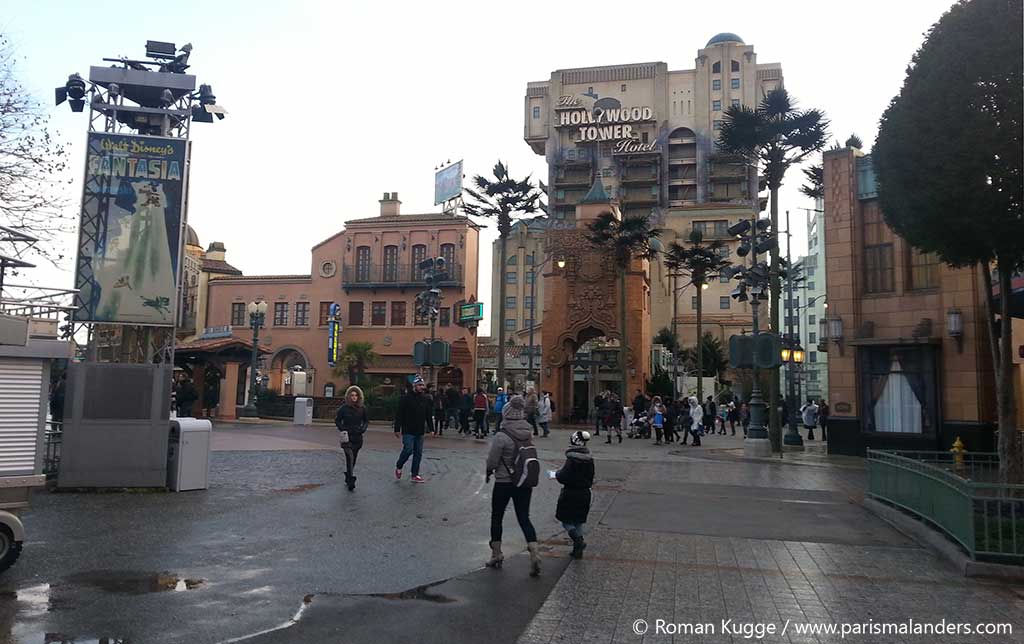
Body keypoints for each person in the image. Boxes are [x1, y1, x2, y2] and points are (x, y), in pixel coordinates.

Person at [484, 396, 541, 576]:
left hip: (503, 481)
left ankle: (497, 553)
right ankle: (534, 552)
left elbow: (493, 461)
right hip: (524, 481)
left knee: (497, 516)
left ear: (506, 414)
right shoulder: (529, 431)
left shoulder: (502, 435)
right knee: (524, 517)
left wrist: (489, 471)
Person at [556, 430, 594, 559]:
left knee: (565, 520)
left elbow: (563, 477)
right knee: (578, 521)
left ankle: (578, 541)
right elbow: (591, 478)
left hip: (570, 492)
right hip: (585, 493)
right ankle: (577, 550)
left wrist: (556, 474)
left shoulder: (572, 459)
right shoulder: (589, 459)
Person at [394, 375, 432, 483]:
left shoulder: (425, 399)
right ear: (414, 385)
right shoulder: (406, 398)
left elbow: (428, 414)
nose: (421, 387)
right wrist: (397, 428)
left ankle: (414, 474)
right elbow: (399, 414)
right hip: (408, 430)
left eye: (422, 385)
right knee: (408, 449)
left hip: (419, 430)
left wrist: (431, 428)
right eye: (419, 385)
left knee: (418, 453)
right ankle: (399, 465)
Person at [335, 385, 369, 491]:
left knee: (353, 459)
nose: (354, 397)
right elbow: (337, 420)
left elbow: (366, 421)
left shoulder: (362, 408)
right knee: (349, 457)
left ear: (359, 397)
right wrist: (343, 429)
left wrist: (363, 429)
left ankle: (348, 475)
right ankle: (351, 480)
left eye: (356, 395)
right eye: (352, 395)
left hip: (357, 437)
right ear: (348, 396)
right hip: (347, 438)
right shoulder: (343, 409)